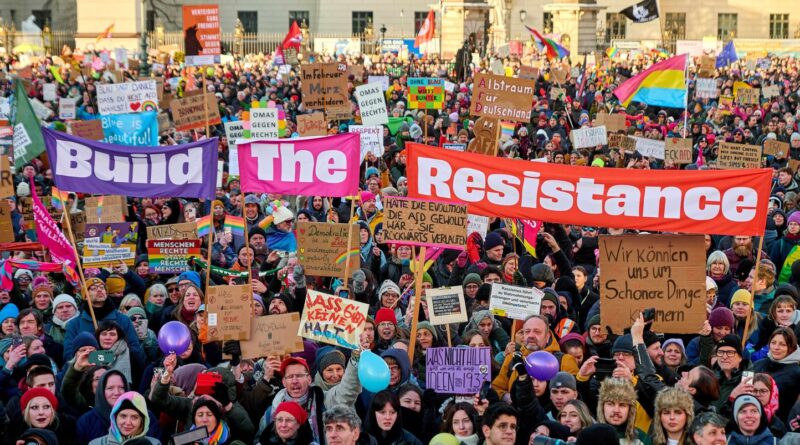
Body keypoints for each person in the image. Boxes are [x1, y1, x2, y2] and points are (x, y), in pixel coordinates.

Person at [63, 278, 142, 364]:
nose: (99, 290)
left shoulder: (123, 320)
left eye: (102, 287)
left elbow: (135, 350)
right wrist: (103, 357)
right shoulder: (74, 324)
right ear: (85, 296)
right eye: (93, 288)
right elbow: (69, 355)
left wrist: (96, 357)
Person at [88, 391, 160, 445]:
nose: (128, 422)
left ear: (142, 421)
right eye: (123, 416)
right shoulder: (96, 443)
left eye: (134, 417)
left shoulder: (154, 444)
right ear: (115, 418)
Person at [596, 377, 651, 445]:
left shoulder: (641, 438)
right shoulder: (589, 437)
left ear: (630, 409)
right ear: (602, 407)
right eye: (610, 404)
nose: (616, 410)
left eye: (622, 405)